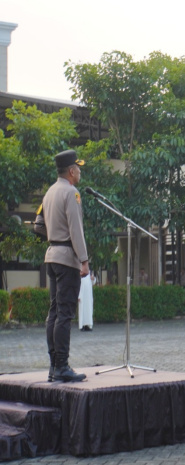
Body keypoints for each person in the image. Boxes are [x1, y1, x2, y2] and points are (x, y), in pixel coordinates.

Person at [42, 149, 89, 382]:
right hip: (67, 258)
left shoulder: (50, 192)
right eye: (78, 168)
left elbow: (39, 225)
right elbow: (76, 230)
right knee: (65, 314)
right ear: (71, 171)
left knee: (54, 313)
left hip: (51, 255)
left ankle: (53, 366)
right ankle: (62, 366)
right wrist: (84, 259)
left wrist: (54, 237)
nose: (79, 172)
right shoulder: (72, 193)